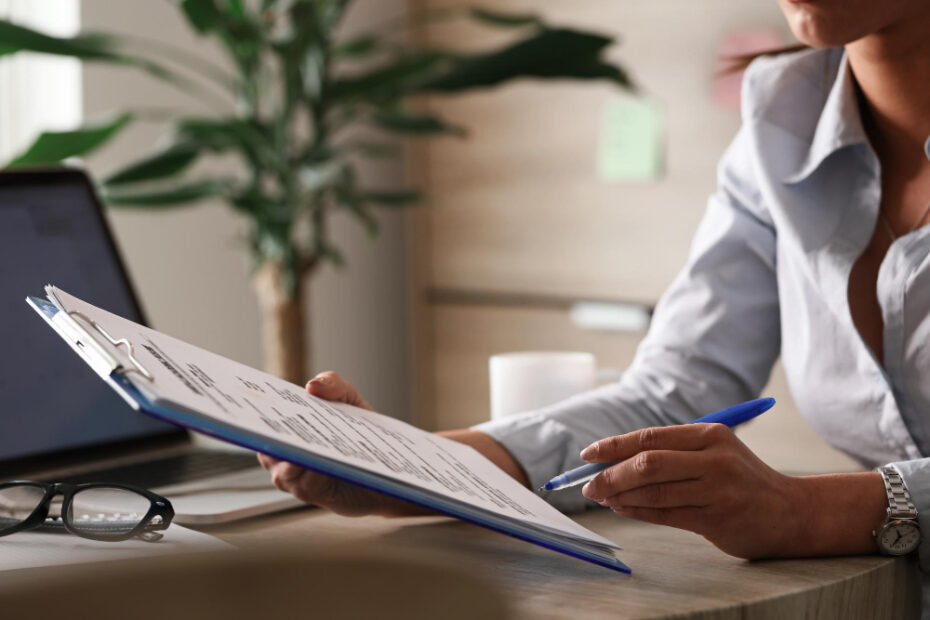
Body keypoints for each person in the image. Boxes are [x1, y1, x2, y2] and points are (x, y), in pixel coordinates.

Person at [260, 0, 930, 605]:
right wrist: (411, 470)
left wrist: (805, 512)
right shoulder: (782, 121)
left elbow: (804, 506)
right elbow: (666, 396)